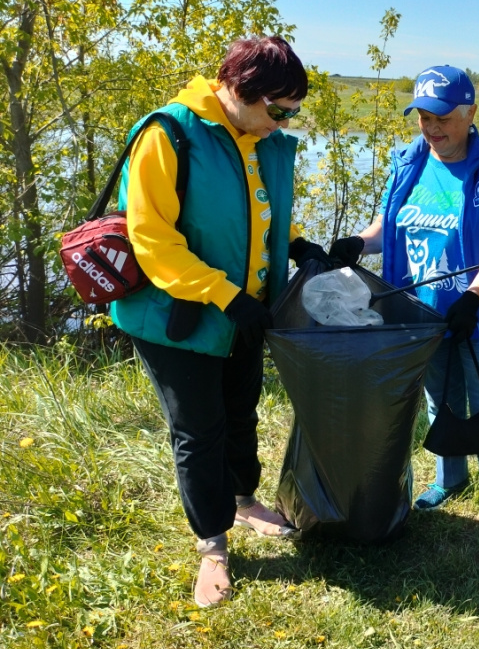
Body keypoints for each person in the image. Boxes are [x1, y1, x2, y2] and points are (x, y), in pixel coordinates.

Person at [111, 35, 330, 607]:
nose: (282, 124)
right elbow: (152, 238)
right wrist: (225, 296)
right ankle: (212, 547)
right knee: (199, 430)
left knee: (241, 409)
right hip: (176, 318)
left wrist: (297, 245)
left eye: (292, 113)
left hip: (242, 313)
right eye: (276, 110)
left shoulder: (257, 138)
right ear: (239, 89)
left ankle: (243, 499)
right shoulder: (170, 134)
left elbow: (257, 218)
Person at [329, 65, 479, 556]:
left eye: (442, 117)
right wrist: (358, 242)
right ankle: (451, 477)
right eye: (422, 116)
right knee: (440, 399)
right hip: (419, 315)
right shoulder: (408, 162)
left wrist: (472, 298)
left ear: (470, 113)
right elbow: (386, 228)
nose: (432, 128)